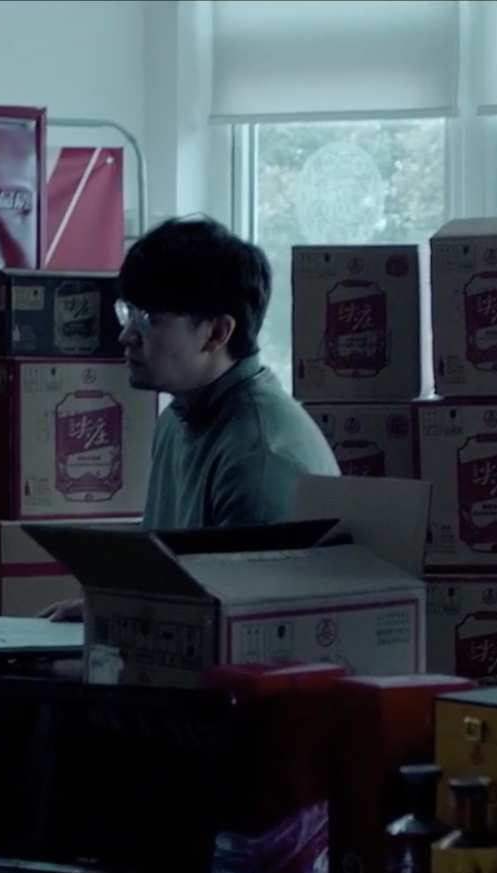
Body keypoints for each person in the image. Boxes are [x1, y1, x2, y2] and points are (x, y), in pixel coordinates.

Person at [41, 218, 337, 621]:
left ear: (216, 333)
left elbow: (243, 626)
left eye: (148, 318)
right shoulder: (177, 418)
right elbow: (179, 587)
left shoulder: (259, 456)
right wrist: (107, 608)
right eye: (128, 312)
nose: (127, 335)